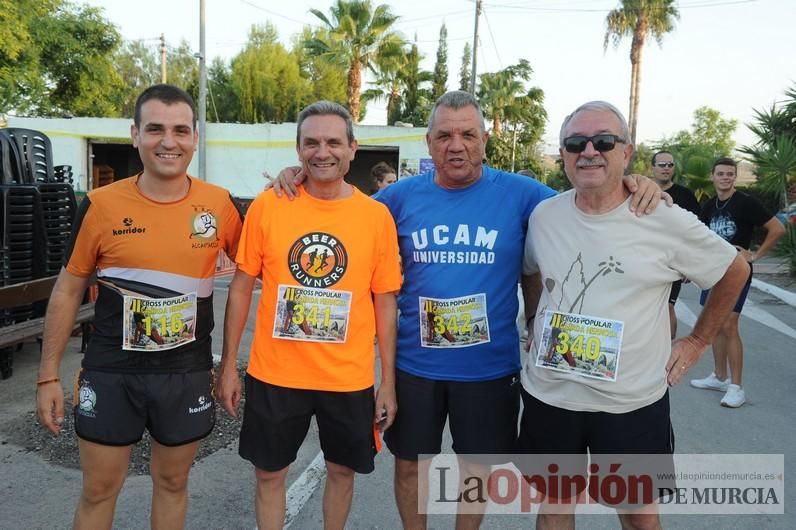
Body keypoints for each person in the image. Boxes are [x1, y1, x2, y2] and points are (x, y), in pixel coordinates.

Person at [271, 90, 666, 529]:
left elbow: (587, 196)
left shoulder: (523, 195)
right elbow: (338, 209)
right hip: (414, 365)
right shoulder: (396, 200)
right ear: (428, 141)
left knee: (475, 472)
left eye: (467, 134)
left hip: (487, 368)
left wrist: (634, 182)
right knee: (409, 466)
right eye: (444, 135)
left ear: (484, 140)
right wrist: (298, 177)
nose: (455, 145)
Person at [518, 100, 749, 529]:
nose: (589, 150)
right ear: (563, 154)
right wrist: (533, 319)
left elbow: (735, 269)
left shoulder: (661, 216)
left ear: (627, 152)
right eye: (575, 142)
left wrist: (697, 341)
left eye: (603, 140)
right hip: (550, 396)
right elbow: (531, 270)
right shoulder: (545, 215)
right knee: (553, 509)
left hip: (631, 404)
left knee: (639, 515)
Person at [35, 84, 244, 529]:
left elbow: (253, 273)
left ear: (195, 137)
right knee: (98, 491)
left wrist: (228, 365)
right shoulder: (100, 205)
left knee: (172, 484)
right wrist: (48, 374)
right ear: (135, 135)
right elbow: (69, 288)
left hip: (185, 373)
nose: (168, 141)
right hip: (112, 372)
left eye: (180, 130)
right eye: (155, 129)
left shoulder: (220, 205)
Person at [215, 100, 402, 530]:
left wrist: (387, 382)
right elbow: (241, 286)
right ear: (298, 150)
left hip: (348, 378)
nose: (323, 152)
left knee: (341, 471)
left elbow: (385, 301)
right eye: (312, 142)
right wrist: (228, 366)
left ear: (353, 148)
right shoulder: (269, 205)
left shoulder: (376, 217)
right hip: (276, 375)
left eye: (334, 142)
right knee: (269, 474)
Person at [690, 157, 785, 407]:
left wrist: (755, 255)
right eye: (720, 173)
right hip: (713, 271)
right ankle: (720, 377)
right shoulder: (709, 206)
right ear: (713, 176)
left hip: (736, 272)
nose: (725, 177)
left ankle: (736, 387)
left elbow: (777, 228)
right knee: (715, 325)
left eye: (730, 174)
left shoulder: (746, 203)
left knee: (729, 325)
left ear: (734, 176)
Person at [650, 150, 701, 339]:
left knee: (668, 306)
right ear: (653, 167)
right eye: (662, 164)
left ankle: (667, 355)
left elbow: (697, 231)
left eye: (670, 165)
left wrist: (690, 265)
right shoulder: (641, 192)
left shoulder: (685, 195)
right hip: (645, 259)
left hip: (673, 261)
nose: (666, 168)